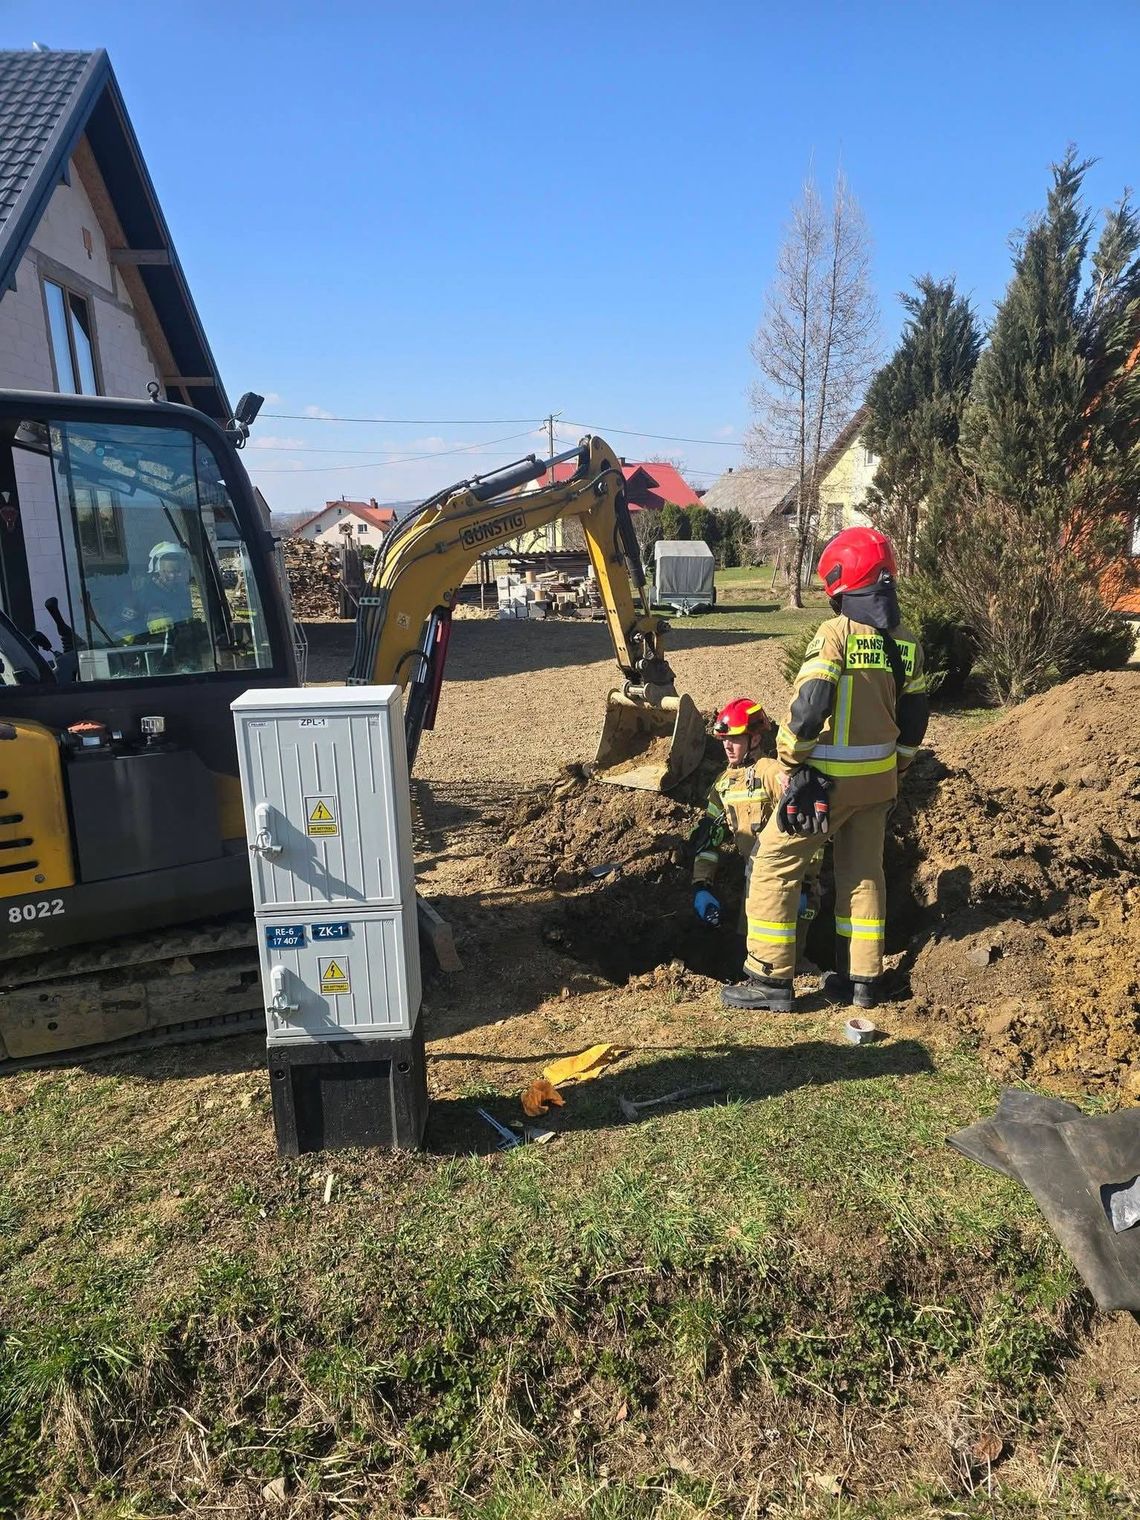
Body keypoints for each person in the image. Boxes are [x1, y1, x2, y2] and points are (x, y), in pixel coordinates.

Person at [722, 526, 929, 1014]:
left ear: (841, 580)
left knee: (774, 864)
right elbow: (916, 721)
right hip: (878, 785)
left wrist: (792, 761)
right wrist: (895, 768)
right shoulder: (907, 642)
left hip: (822, 786)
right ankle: (861, 981)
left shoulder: (835, 634)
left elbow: (811, 709)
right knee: (863, 875)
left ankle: (768, 978)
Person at [690, 696, 821, 960]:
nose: (728, 745)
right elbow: (710, 840)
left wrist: (806, 884)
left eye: (735, 739)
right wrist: (701, 885)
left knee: (787, 957)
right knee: (750, 954)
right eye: (725, 739)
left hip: (789, 882)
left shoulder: (773, 774)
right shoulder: (723, 784)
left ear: (755, 739)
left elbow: (808, 832)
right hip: (755, 883)